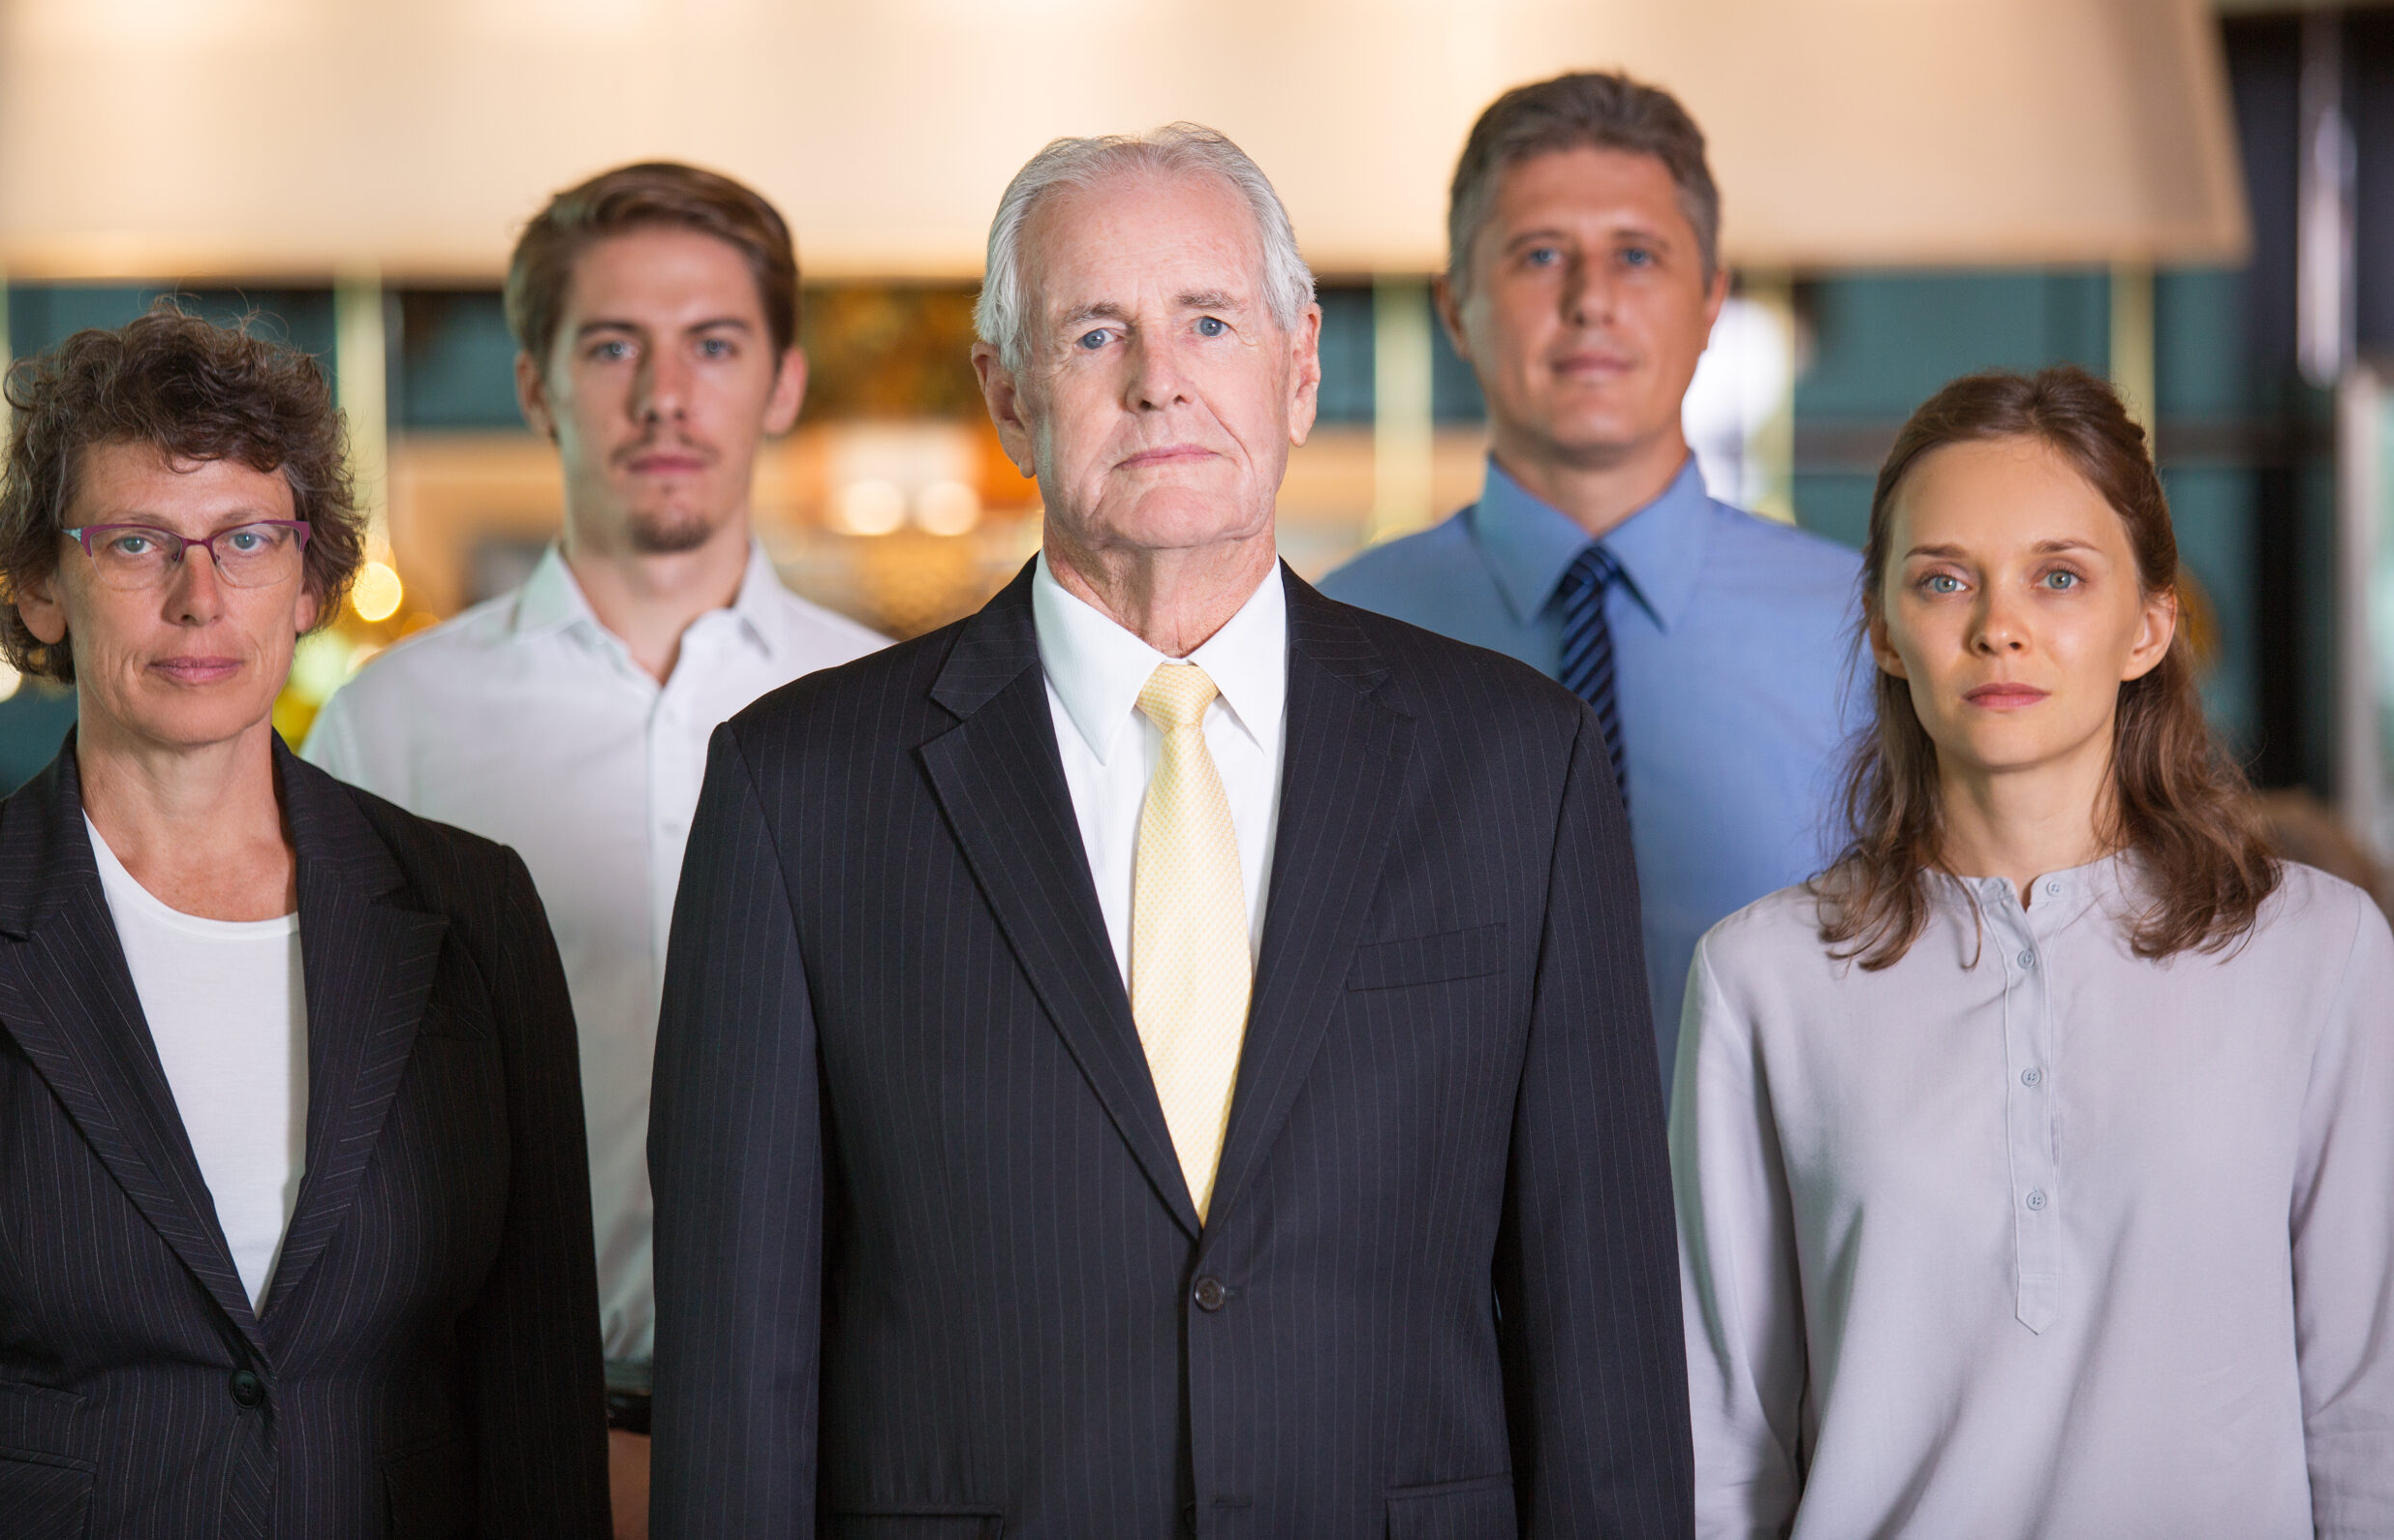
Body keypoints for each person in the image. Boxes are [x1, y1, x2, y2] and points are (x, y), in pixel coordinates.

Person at [649, 123, 1691, 1539]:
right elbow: (738, 1360)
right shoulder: (798, 788)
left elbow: (1602, 1325)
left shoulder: (1523, 763)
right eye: (1093, 334)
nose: (1159, 379)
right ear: (1008, 397)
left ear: (1301, 366)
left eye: (1209, 318)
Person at [0, 308, 609, 1535]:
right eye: (137, 543)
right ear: (40, 587)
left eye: (247, 538)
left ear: (311, 582)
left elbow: (535, 1387)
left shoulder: (472, 912)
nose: (200, 599)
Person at [1672, 368, 2394, 1538]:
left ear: (2148, 625)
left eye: (2058, 577)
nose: (1997, 624)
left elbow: (2369, 1409)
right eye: (1943, 579)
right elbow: (1721, 1439)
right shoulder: (1762, 978)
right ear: (1886, 634)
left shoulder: (2319, 953)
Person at [305, 163, 885, 1534]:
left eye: (716, 345)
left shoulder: (896, 721)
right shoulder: (393, 726)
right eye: (613, 344)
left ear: (784, 384)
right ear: (535, 383)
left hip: (829, 1450)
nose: (664, 396)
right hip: (483, 1449)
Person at [1321, 72, 1863, 1090]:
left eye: (1636, 255)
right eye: (1538, 256)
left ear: (1710, 301)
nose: (1591, 302)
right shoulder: (1326, 636)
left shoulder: (1871, 633)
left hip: (1774, 1239)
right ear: (1455, 307)